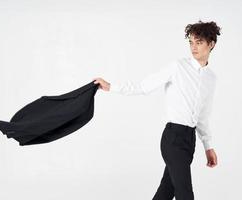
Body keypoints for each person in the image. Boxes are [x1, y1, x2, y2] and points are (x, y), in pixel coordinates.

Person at [93, 20, 221, 200]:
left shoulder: (211, 78)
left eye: (199, 42)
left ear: (211, 44)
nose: (194, 47)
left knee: (166, 191)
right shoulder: (178, 67)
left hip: (189, 140)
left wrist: (208, 146)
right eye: (191, 42)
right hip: (173, 138)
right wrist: (111, 87)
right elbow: (144, 87)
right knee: (185, 193)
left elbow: (203, 116)